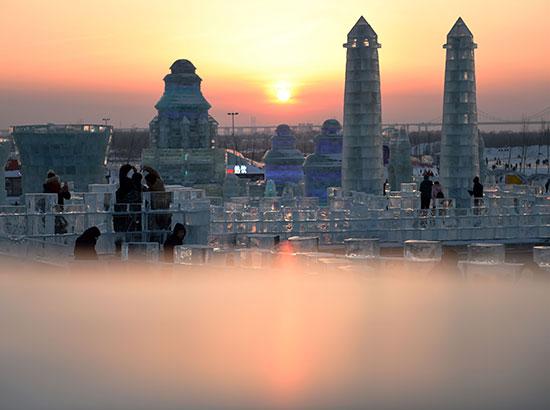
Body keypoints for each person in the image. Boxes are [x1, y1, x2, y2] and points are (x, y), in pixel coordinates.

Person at [114, 164, 142, 233]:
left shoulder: (121, 185)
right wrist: (135, 173)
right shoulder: (129, 183)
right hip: (132, 214)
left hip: (121, 214)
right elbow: (137, 183)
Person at [143, 165, 171, 232]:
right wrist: (147, 168)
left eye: (147, 182)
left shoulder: (152, 190)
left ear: (149, 182)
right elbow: (155, 173)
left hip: (157, 212)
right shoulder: (159, 183)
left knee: (157, 227)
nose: (146, 184)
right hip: (165, 210)